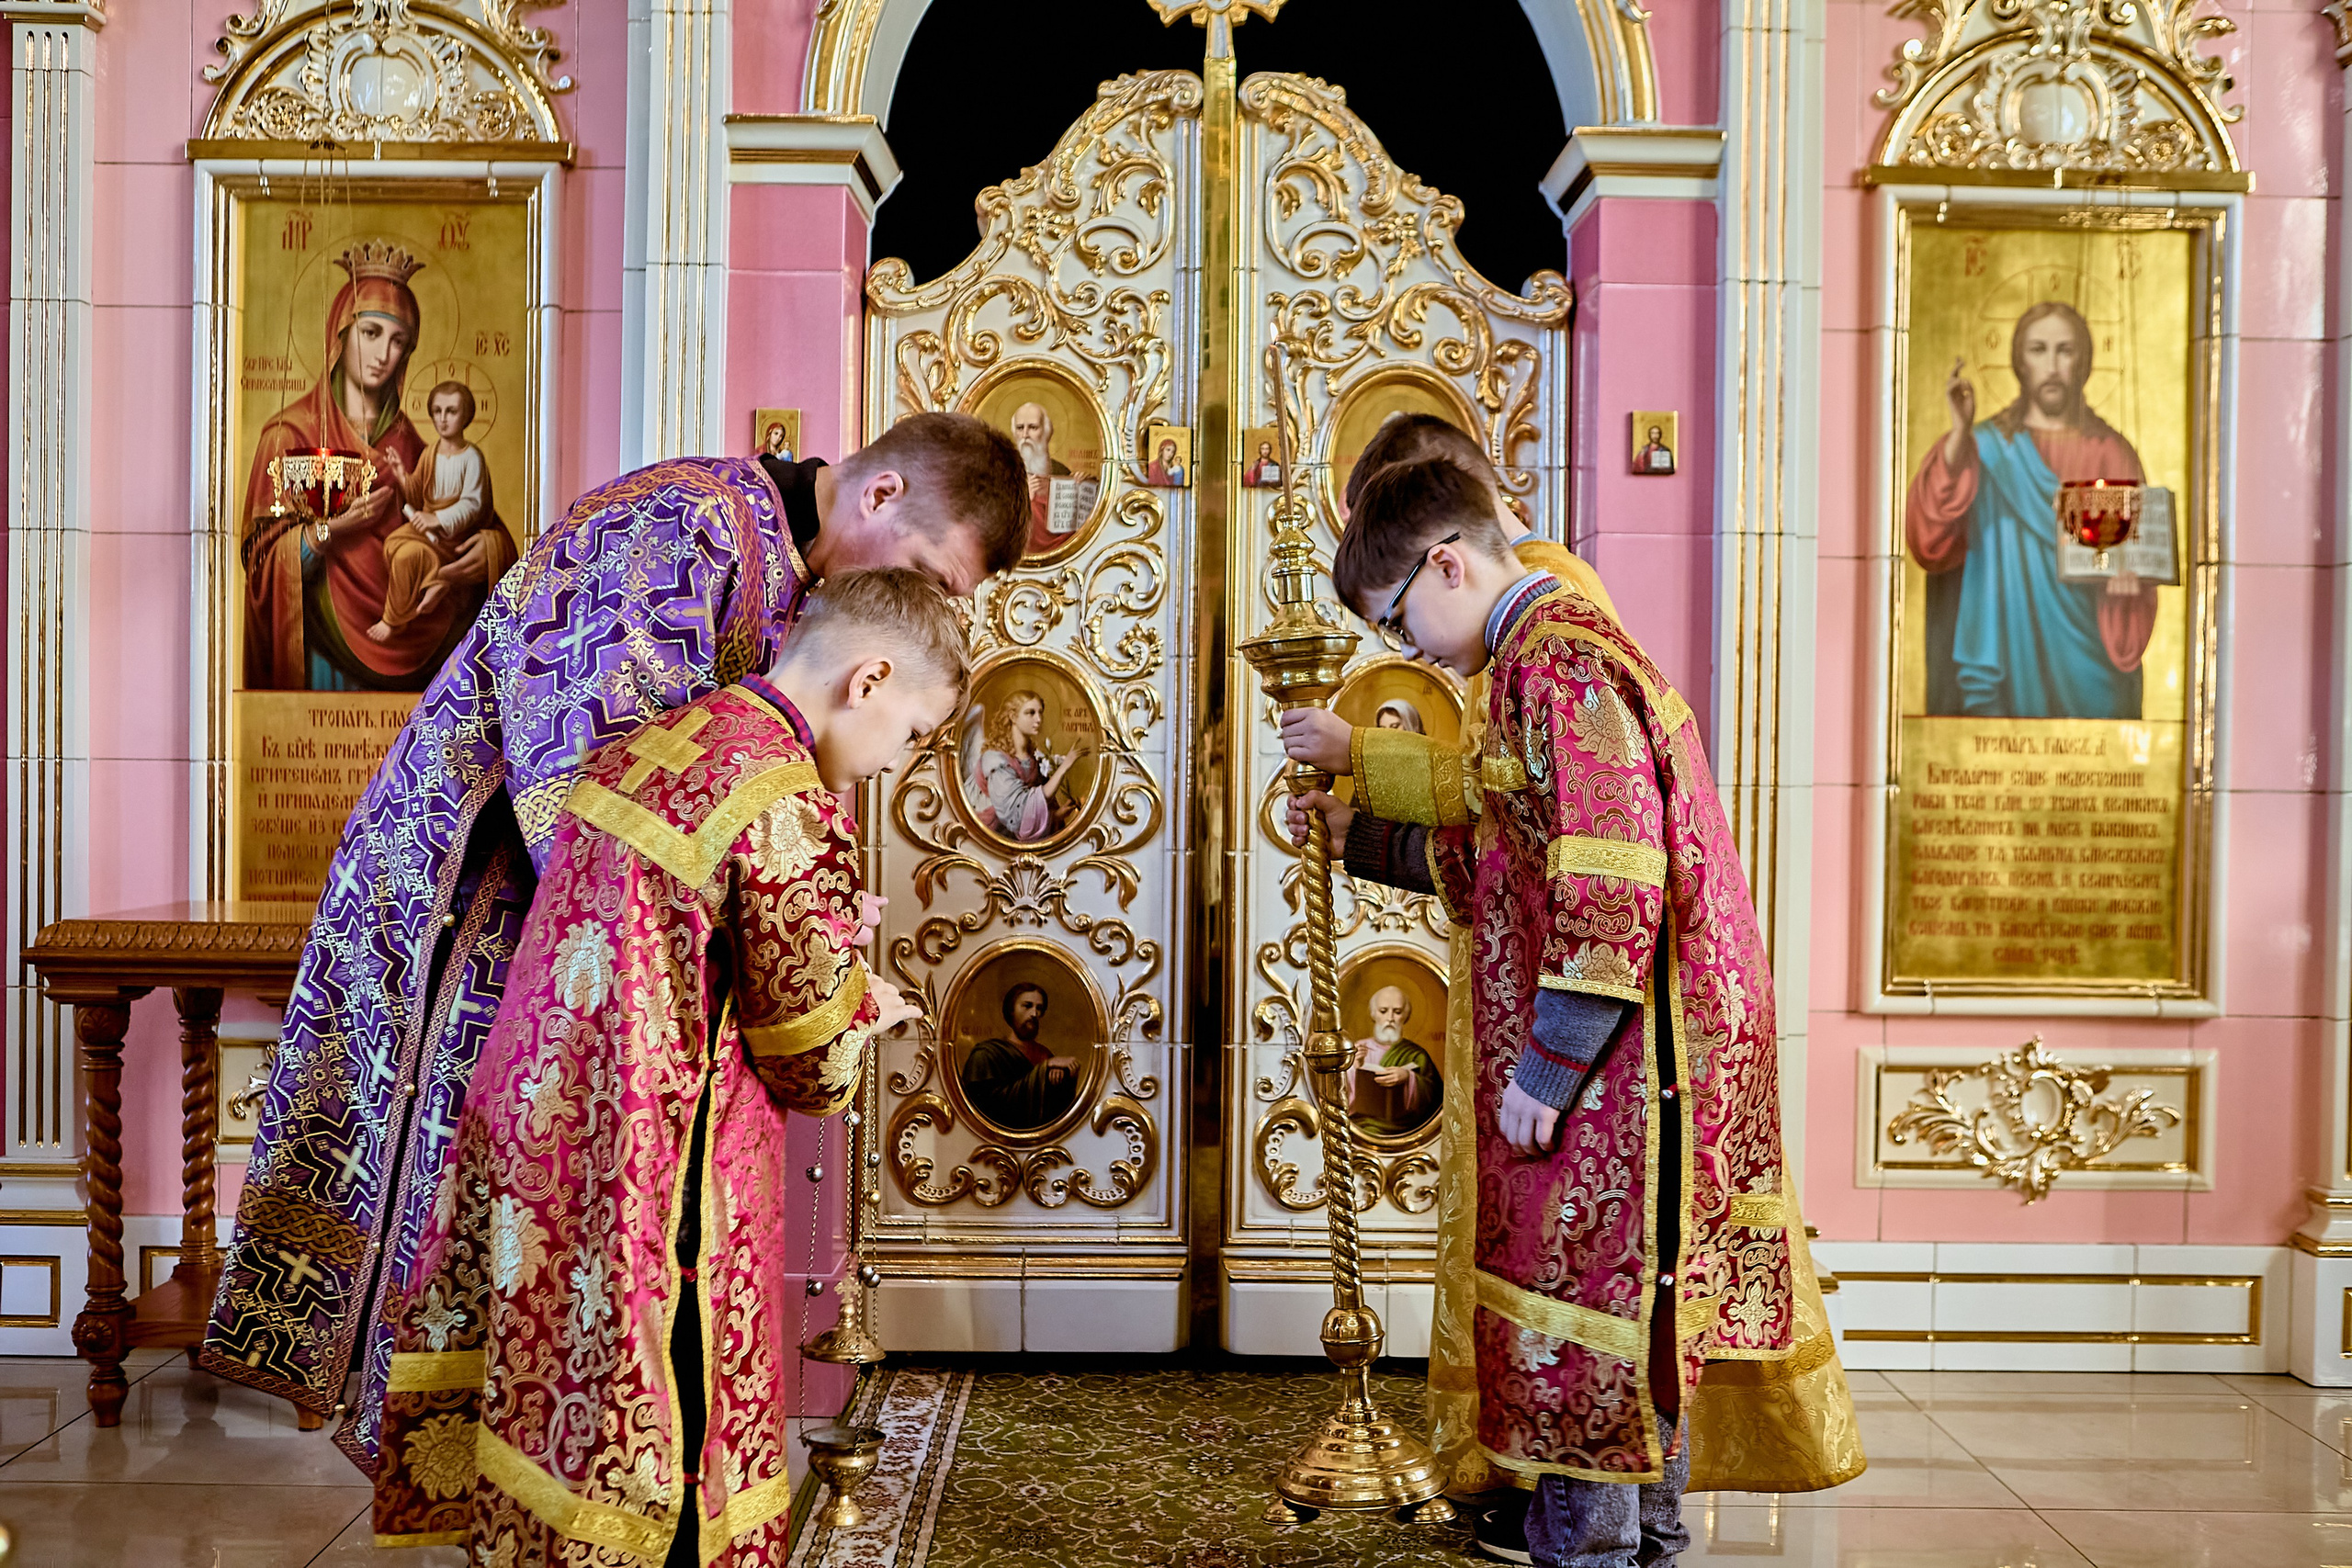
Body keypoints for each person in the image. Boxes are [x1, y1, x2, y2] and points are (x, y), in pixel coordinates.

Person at [205, 411, 1030, 1472]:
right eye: (928, 571)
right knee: (462, 1177)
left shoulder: (798, 582)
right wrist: (765, 936)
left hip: (577, 926)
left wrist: (800, 920)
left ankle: (511, 1465)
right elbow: (586, 784)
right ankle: (459, 1465)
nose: (922, 607)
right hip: (478, 902)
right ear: (880, 497)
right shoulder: (679, 526)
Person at [1286, 457, 1858, 1568]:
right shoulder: (1535, 662)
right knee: (1614, 1291)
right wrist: (1365, 837)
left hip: (1630, 1057)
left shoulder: (1556, 664)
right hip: (1636, 1040)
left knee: (1591, 1291)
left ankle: (1595, 1545)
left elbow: (1608, 878)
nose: (1407, 654)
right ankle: (1639, 1533)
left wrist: (1547, 1067)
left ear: (1447, 563)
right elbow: (1513, 855)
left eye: (1401, 625)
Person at [367, 569, 956, 1564]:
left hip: (547, 1131)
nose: (889, 762)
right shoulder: (779, 793)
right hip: (657, 1162)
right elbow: (811, 1054)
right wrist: (869, 999)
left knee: (564, 1398)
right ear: (871, 679)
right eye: (909, 734)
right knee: (669, 1438)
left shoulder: (662, 741)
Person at [241, 242, 519, 690]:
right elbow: (259, 560)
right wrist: (327, 533)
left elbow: (474, 518)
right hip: (322, 662)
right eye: (371, 332)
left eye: (398, 342)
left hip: (420, 672)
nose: (384, 354)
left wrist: (490, 551)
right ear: (340, 333)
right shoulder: (288, 437)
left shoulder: (412, 446)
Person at [1904, 301, 2154, 718]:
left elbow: (2137, 556)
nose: (2053, 365)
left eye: (2065, 350)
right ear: (2020, 361)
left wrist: (2127, 586)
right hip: (2001, 650)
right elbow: (1929, 538)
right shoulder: (1983, 446)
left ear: (2084, 361)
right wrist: (1959, 434)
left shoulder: (2111, 452)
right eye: (2039, 350)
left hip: (2086, 657)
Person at [373, 381, 496, 643]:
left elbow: (473, 504)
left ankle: (393, 620)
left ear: (466, 416)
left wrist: (437, 518)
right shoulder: (430, 453)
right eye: (437, 411)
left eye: (451, 411)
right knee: (392, 543)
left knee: (408, 555)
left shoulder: (471, 457)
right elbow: (417, 494)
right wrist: (400, 474)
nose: (443, 419)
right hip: (425, 529)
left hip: (453, 538)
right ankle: (434, 582)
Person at [967, 688, 1086, 841]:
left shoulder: (1033, 759)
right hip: (989, 838)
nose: (1038, 719)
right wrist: (1065, 765)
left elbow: (1036, 810)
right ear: (1013, 716)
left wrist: (1055, 816)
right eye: (1031, 713)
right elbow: (1020, 814)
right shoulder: (994, 760)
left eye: (1040, 712)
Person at [960, 981, 1081, 1130]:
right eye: (1027, 1006)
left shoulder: (1045, 1054)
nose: (1034, 1014)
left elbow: (1057, 1111)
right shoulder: (986, 1055)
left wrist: (1067, 1076)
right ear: (1011, 1009)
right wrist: (1043, 1070)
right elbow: (985, 1108)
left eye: (1039, 1008)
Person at [1342, 984, 1440, 1136]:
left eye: (1397, 1012)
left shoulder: (1416, 1054)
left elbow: (1435, 1096)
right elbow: (1339, 1095)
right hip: (1363, 1125)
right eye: (1383, 1011)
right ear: (1373, 1014)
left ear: (1405, 1016)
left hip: (1407, 1128)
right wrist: (1353, 1068)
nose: (1390, 1018)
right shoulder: (1357, 1049)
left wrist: (1409, 1078)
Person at [1010, 400, 1076, 554]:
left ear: (1045, 431)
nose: (1025, 435)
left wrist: (1078, 485)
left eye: (1033, 427)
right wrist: (1025, 499)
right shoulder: (1003, 471)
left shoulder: (1062, 471)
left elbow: (1072, 520)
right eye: (1020, 428)